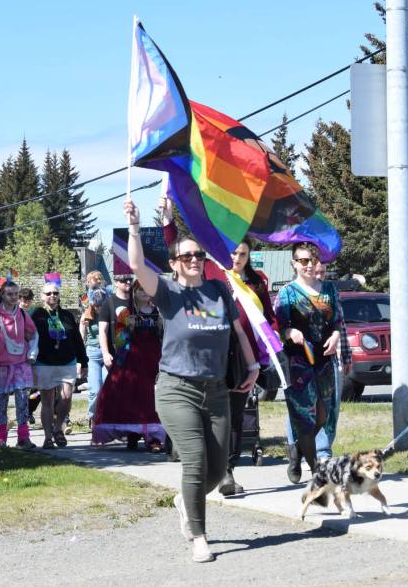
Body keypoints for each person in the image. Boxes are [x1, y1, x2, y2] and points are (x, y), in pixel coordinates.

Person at [124, 198, 259, 564]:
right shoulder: (169, 293)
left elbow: (238, 333)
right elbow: (136, 264)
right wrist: (135, 227)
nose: (195, 259)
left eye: (198, 254)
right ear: (174, 264)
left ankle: (187, 500)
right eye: (186, 256)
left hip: (216, 389)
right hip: (176, 389)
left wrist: (253, 365)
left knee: (218, 468)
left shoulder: (217, 291)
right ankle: (199, 536)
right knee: (196, 461)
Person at [158, 197, 279, 494]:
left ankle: (228, 471)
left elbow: (269, 318)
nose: (236, 257)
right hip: (212, 358)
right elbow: (178, 252)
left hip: (242, 359)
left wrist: (277, 342)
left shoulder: (258, 281)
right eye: (233, 251)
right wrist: (168, 221)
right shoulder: (211, 272)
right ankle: (193, 455)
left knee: (236, 415)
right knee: (204, 412)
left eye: (242, 253)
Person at [275, 243, 351, 484]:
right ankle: (316, 470)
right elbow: (277, 328)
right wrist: (290, 333)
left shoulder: (329, 289)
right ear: (294, 264)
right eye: (303, 261)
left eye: (312, 260)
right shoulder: (288, 292)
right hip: (298, 361)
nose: (308, 265)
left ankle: (296, 451)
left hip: (324, 360)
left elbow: (338, 321)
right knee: (303, 418)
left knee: (322, 415)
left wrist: (336, 336)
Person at [91, 281, 166, 452]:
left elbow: (164, 336)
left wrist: (161, 326)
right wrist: (127, 328)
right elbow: (118, 341)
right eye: (140, 290)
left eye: (147, 289)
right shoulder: (126, 313)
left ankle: (153, 437)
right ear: (134, 293)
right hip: (131, 360)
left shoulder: (159, 312)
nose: (144, 293)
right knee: (130, 397)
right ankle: (132, 434)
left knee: (150, 397)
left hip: (153, 359)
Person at [0, 280, 39, 449]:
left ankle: (23, 437)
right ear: (2, 295)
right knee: (1, 401)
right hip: (1, 365)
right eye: (10, 294)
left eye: (16, 294)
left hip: (20, 363)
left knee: (22, 399)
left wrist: (32, 352)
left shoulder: (23, 314)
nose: (13, 298)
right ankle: (1, 438)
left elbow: (33, 334)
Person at [31, 283, 87, 448]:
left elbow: (76, 338)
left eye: (55, 293)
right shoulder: (36, 315)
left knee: (66, 397)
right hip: (45, 362)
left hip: (67, 361)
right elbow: (29, 337)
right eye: (48, 293)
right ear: (42, 296)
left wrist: (83, 361)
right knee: (47, 401)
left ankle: (58, 428)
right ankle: (48, 437)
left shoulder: (67, 315)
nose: (52, 296)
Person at [79, 274, 109, 426]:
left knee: (108, 386)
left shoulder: (109, 312)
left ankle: (106, 417)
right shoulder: (88, 313)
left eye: (101, 305)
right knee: (95, 389)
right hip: (93, 352)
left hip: (108, 354)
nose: (98, 308)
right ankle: (93, 417)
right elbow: (81, 333)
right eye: (96, 305)